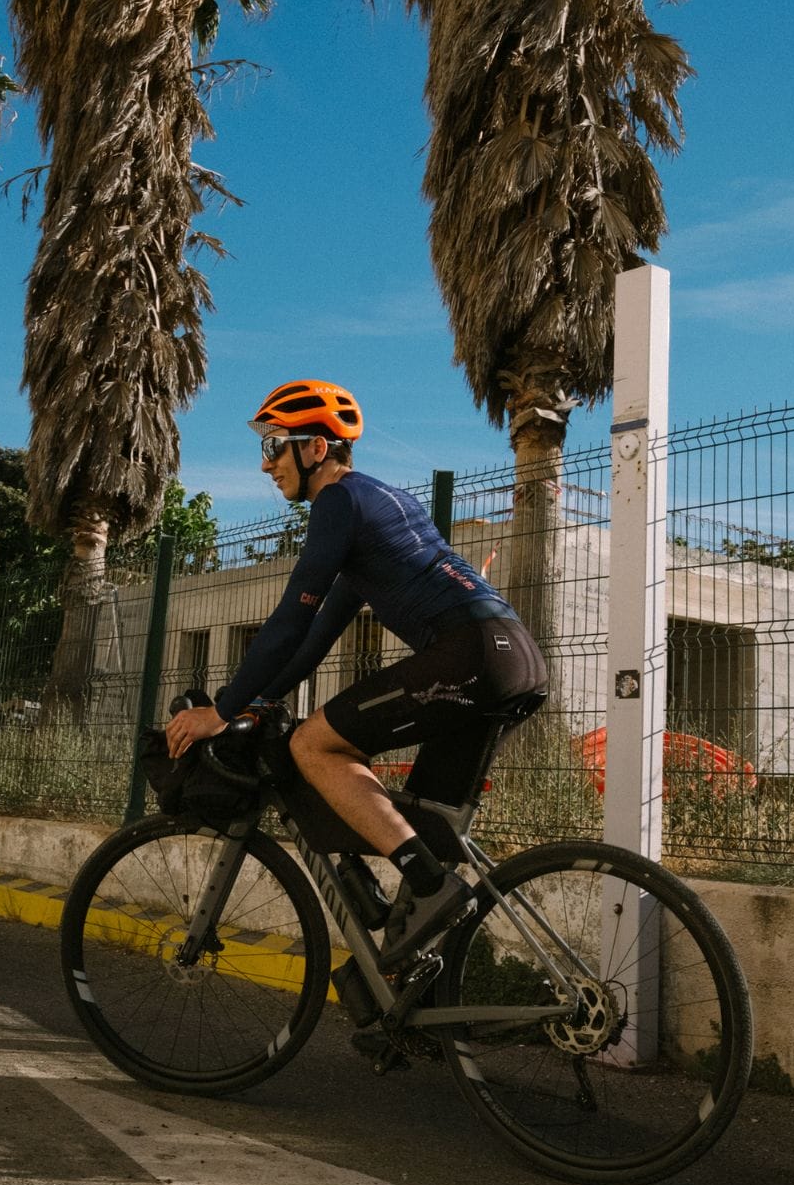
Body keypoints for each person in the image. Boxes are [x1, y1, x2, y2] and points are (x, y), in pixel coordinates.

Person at [165, 378, 546, 952]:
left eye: (274, 445)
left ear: (316, 448)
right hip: (516, 656)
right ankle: (428, 982)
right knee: (425, 820)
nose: (266, 465)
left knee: (313, 745)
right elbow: (314, 640)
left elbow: (288, 622)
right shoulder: (380, 502)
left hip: (468, 653)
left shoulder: (337, 501)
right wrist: (264, 698)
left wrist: (223, 710)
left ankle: (427, 885)